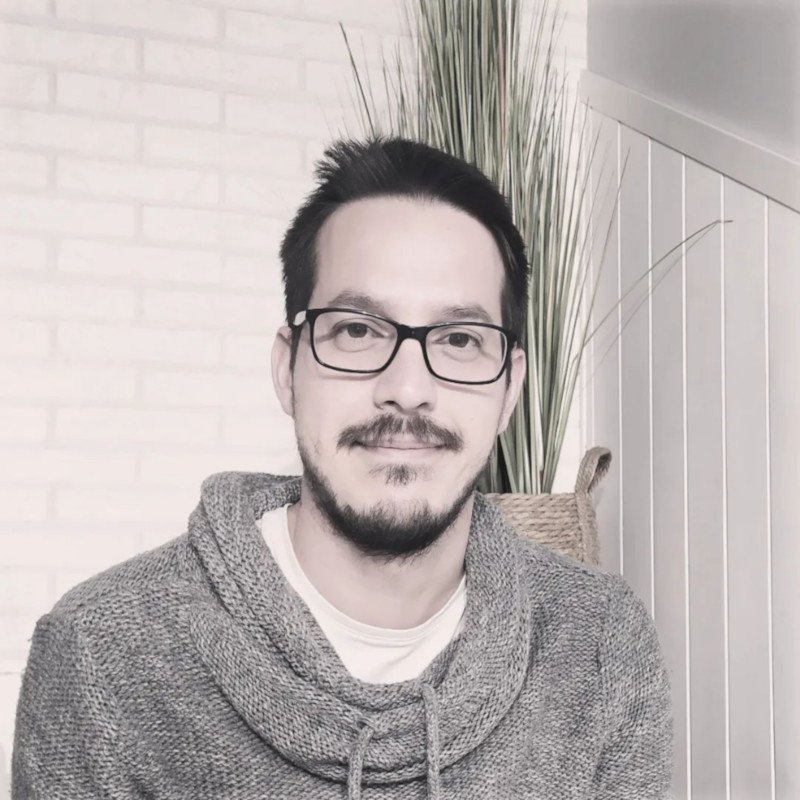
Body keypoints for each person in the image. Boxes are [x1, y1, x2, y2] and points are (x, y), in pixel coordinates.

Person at [12, 137, 673, 799]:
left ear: (509, 390)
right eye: (357, 331)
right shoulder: (102, 652)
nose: (407, 389)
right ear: (288, 370)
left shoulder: (601, 639)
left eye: (460, 339)